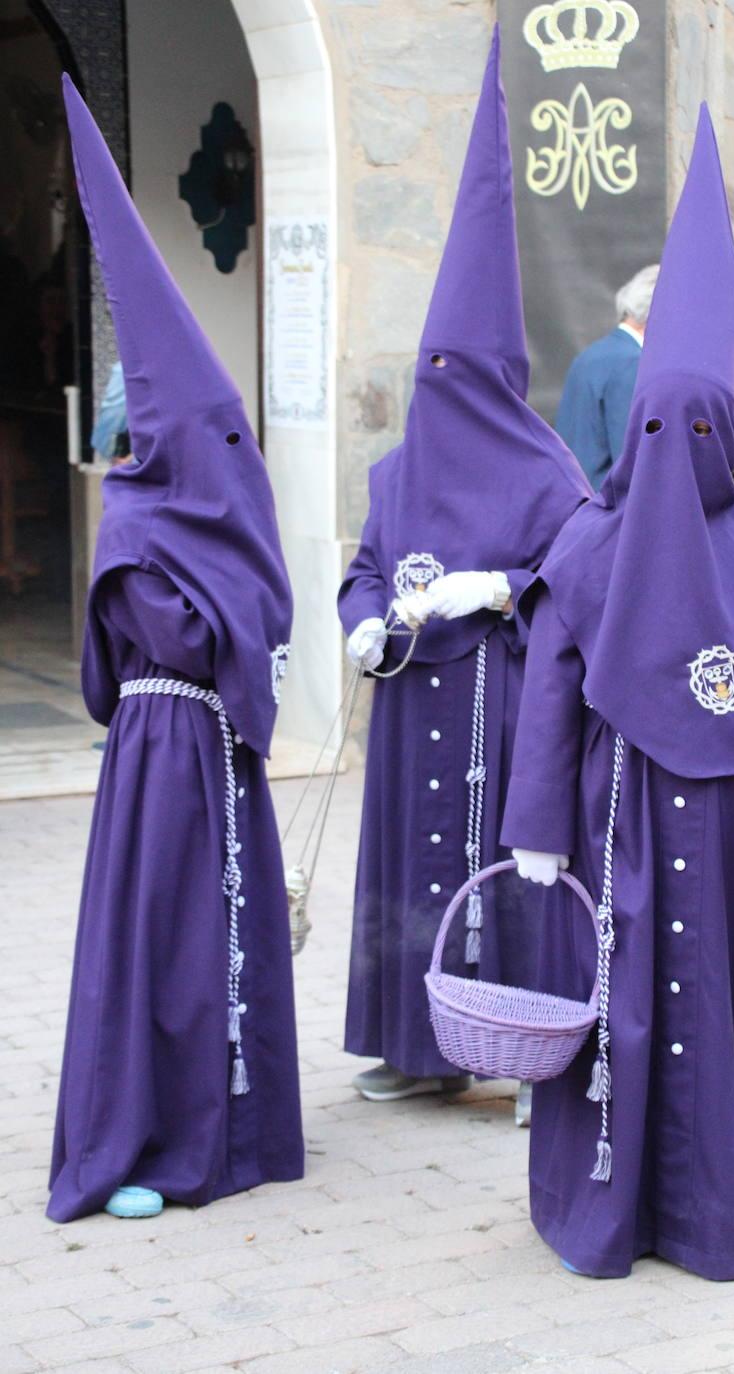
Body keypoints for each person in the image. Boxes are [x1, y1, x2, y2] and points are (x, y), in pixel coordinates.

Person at [499, 105, 734, 1281]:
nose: (670, 442)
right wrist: (533, 838)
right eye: (654, 424)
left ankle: (704, 1204)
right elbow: (550, 698)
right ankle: (605, 1207)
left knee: (709, 1000)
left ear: (724, 433)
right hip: (615, 819)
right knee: (617, 1006)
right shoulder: (588, 543)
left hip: (730, 831)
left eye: (693, 425)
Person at [48, 77, 304, 1222]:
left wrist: (257, 614)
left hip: (209, 751)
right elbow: (174, 640)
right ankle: (148, 1126)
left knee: (222, 934)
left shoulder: (209, 516)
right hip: (163, 749)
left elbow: (252, 621)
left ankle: (230, 1117)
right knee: (164, 934)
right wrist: (244, 616)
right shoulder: (143, 518)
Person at [338, 29, 589, 1108]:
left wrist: (496, 590)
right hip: (410, 712)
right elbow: (362, 566)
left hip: (503, 708)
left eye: (457, 371)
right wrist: (360, 616)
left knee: (512, 871)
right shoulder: (396, 472)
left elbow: (579, 578)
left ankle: (527, 1046)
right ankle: (417, 1049)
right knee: (410, 879)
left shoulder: (548, 470)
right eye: (425, 369)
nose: (437, 386)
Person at [555, 264, 659, 489]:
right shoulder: (632, 363)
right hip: (609, 509)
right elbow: (631, 459)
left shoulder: (590, 356)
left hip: (577, 502)